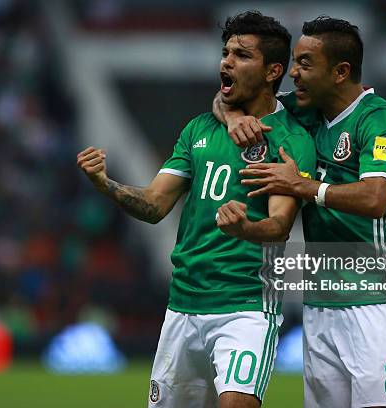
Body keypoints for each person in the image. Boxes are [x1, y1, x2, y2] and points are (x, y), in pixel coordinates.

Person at [77, 11, 316, 408]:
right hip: (183, 306)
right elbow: (155, 205)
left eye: (241, 55)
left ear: (273, 70)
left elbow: (278, 225)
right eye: (226, 53)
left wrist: (244, 229)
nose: (226, 62)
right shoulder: (199, 129)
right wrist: (106, 184)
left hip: (247, 306)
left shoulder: (292, 139)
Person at [213, 16, 386, 408]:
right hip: (321, 304)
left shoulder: (379, 119)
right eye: (294, 61)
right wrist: (233, 118)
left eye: (305, 64)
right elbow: (228, 97)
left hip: (378, 301)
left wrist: (302, 186)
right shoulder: (302, 113)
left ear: (340, 71)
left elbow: (375, 197)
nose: (292, 73)